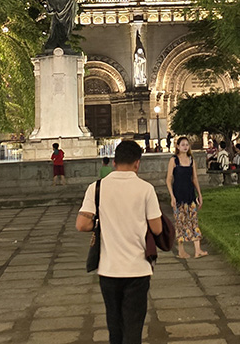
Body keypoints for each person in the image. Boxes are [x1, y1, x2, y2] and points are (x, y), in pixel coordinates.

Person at [77, 140, 163, 344]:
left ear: (114, 162)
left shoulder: (97, 188)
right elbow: (157, 228)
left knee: (114, 326)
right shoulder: (146, 189)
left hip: (109, 269)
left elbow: (81, 224)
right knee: (133, 327)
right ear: (137, 163)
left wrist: (101, 223)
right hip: (137, 268)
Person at [166, 136, 207, 260]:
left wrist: (199, 194)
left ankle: (197, 249)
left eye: (187, 145)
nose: (185, 147)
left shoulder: (191, 160)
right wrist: (172, 196)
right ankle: (181, 251)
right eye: (182, 144)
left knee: (193, 220)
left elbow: (194, 178)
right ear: (178, 146)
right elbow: (168, 179)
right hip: (178, 195)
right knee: (180, 222)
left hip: (190, 194)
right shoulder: (174, 160)